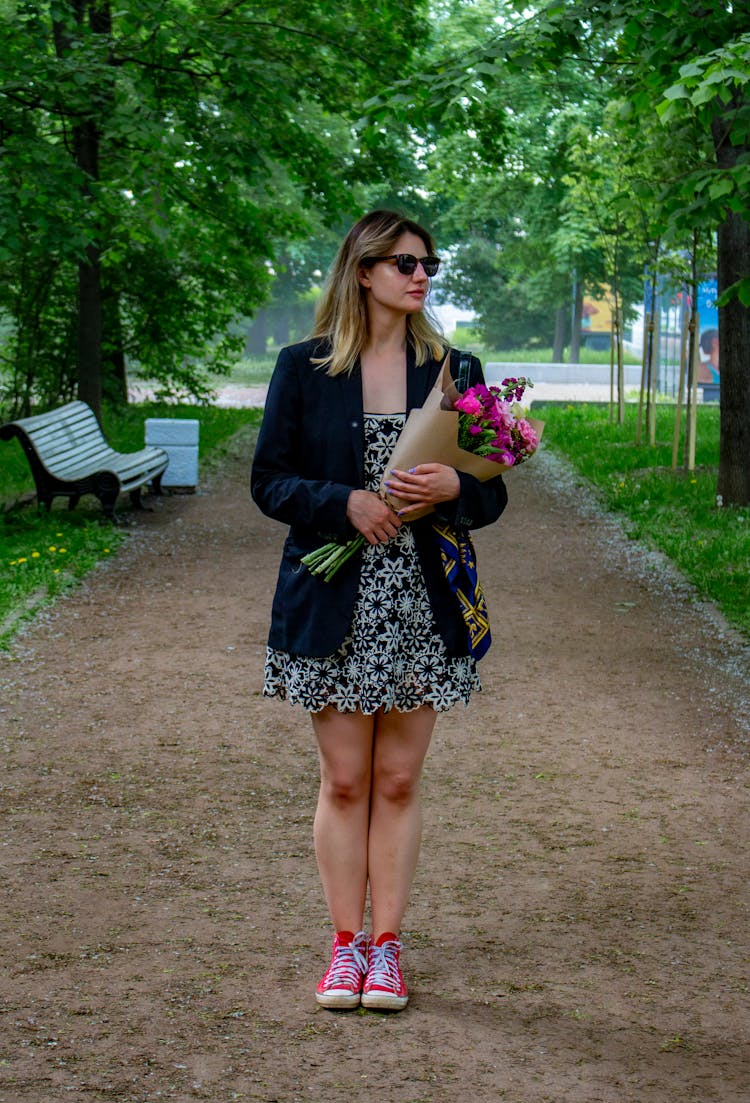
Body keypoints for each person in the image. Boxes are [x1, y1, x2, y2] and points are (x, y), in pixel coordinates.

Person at [250, 210, 508, 1012]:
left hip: (424, 602)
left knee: (397, 780)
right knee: (346, 777)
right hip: (335, 597)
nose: (420, 273)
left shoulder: (454, 368)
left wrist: (456, 488)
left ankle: (388, 947)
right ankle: (344, 946)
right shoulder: (304, 368)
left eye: (428, 261)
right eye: (403, 261)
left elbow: (491, 491)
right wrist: (346, 502)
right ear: (362, 271)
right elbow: (270, 481)